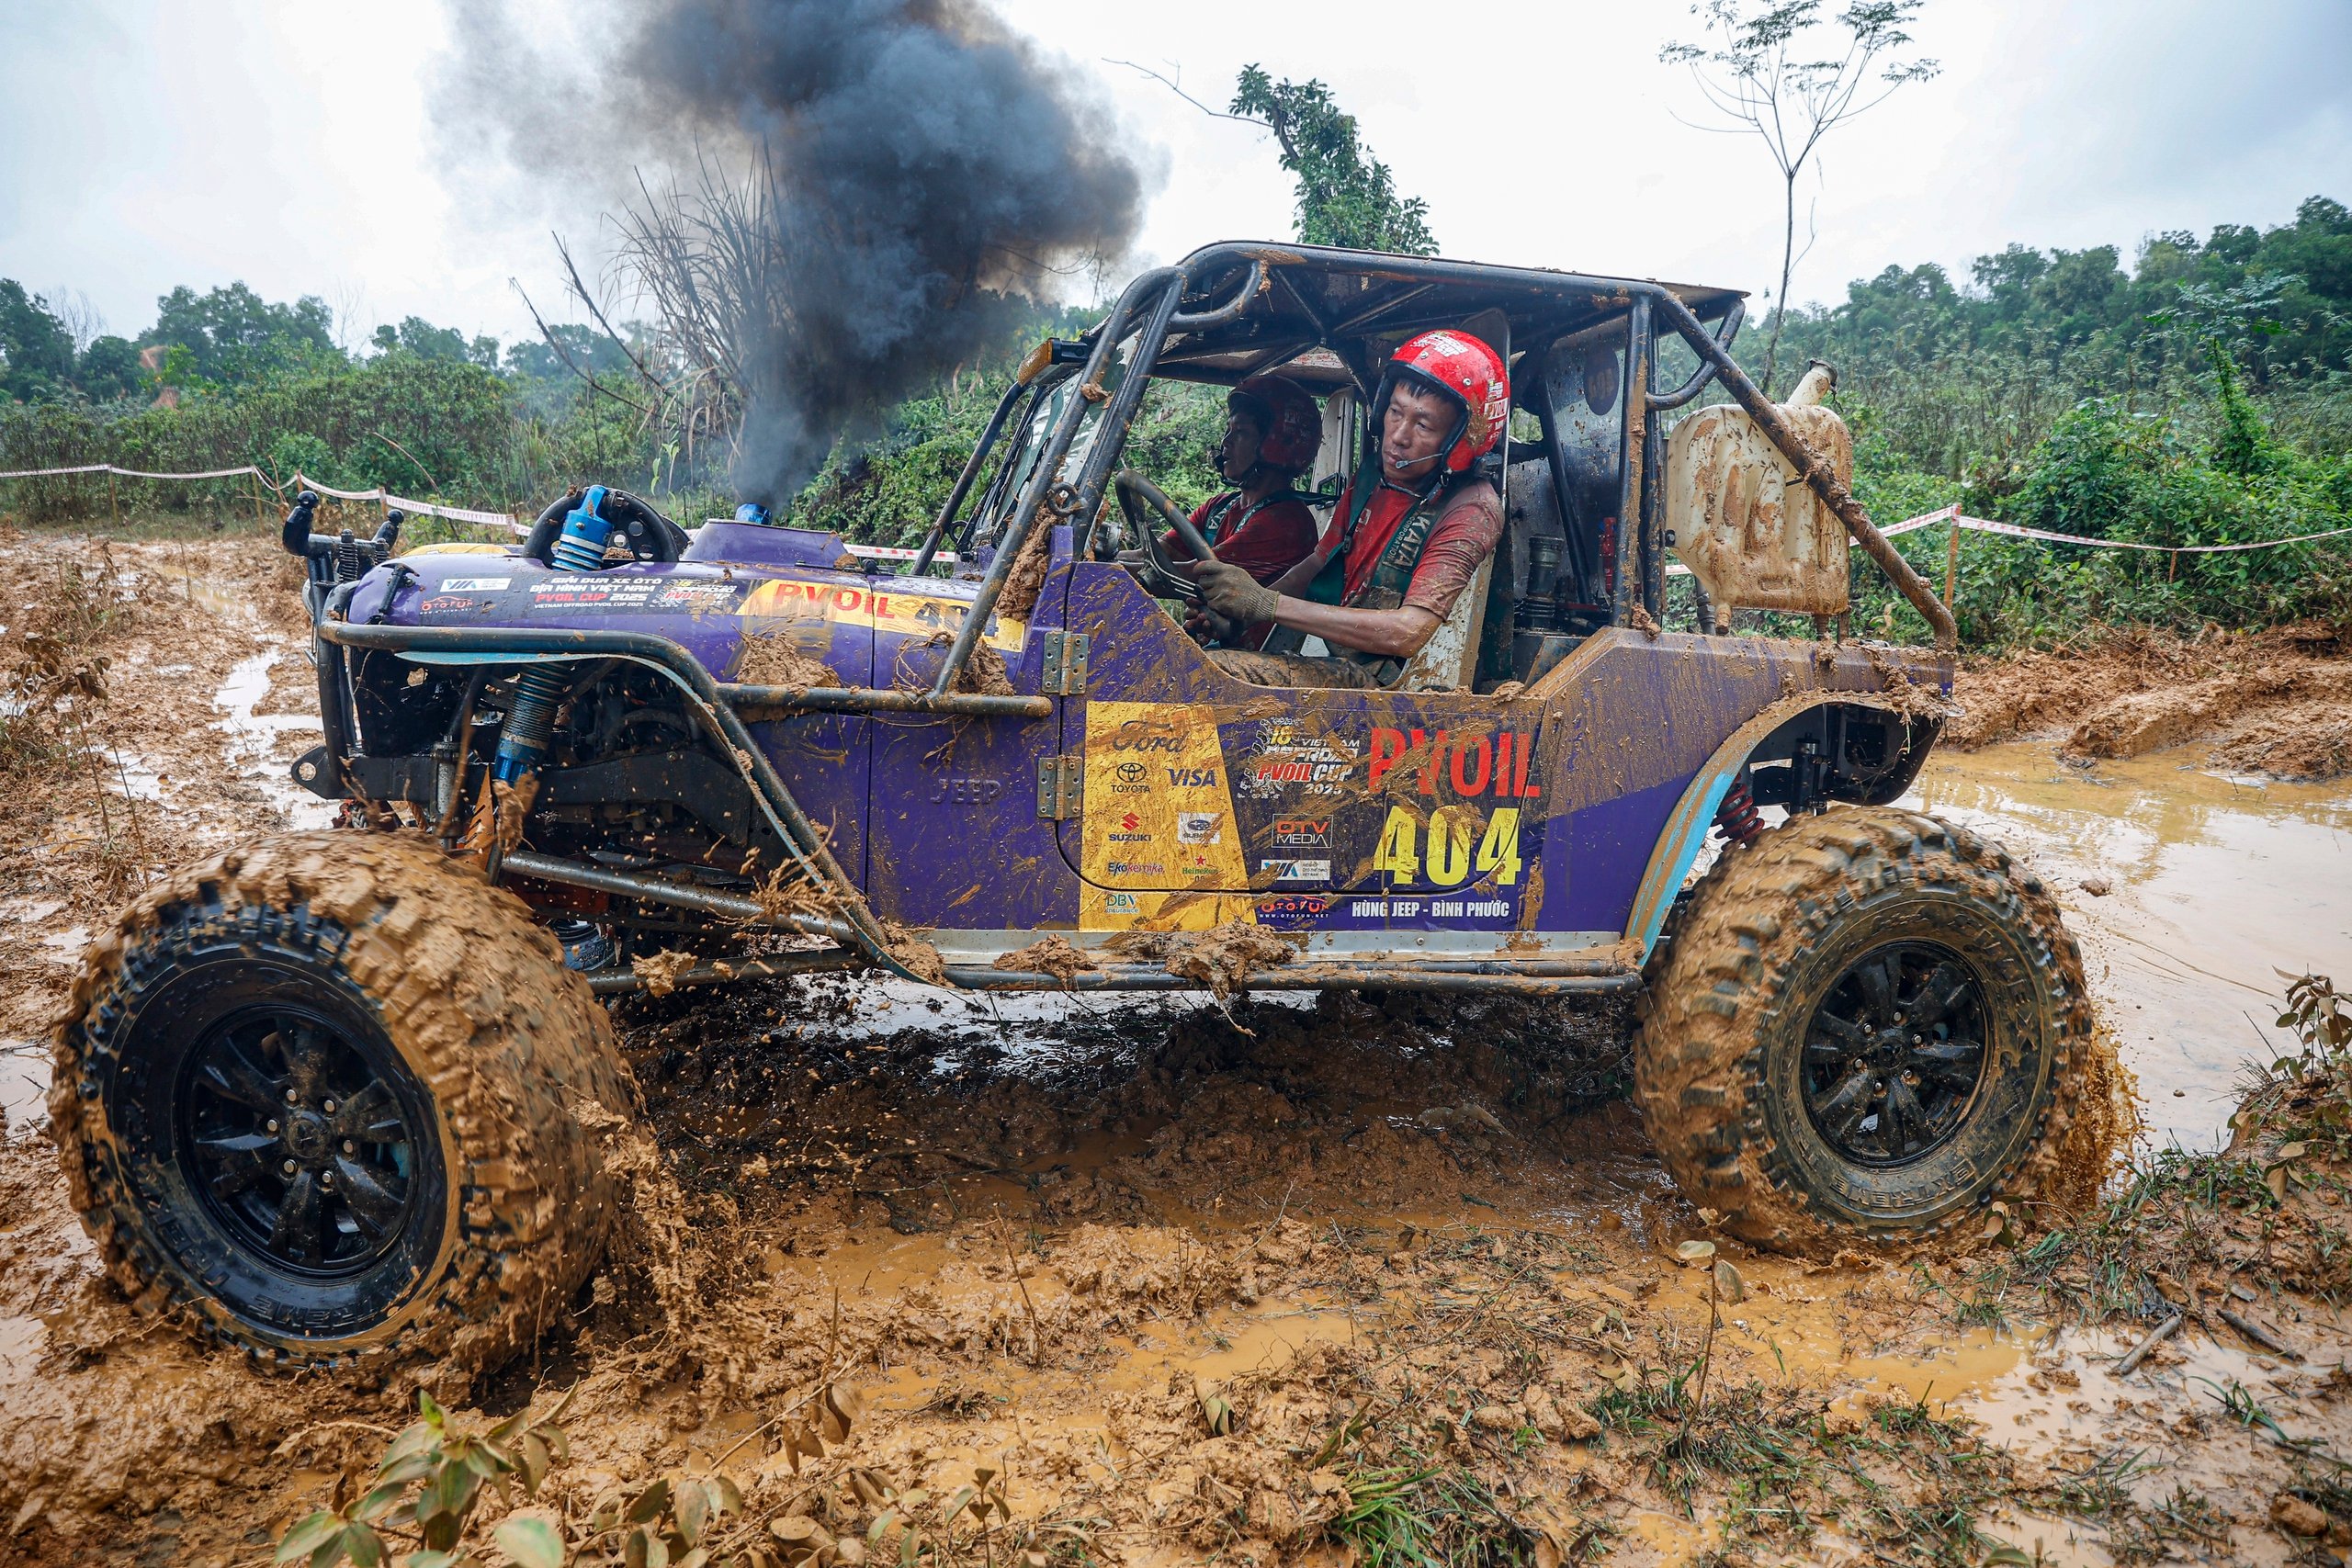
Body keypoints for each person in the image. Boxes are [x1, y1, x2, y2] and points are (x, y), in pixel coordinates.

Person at [1193, 329, 1509, 687]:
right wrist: (1244, 612)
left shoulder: (1471, 510)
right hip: (1340, 662)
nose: (1398, 436)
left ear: (1460, 440)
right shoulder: (1375, 475)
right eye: (1395, 412)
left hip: (1397, 686)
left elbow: (1409, 631)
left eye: (1422, 425)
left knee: (1209, 674)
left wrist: (1268, 604)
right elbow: (1317, 563)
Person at [1131, 374, 1322, 598]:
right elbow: (1161, 552)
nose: (1225, 442)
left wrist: (1109, 570)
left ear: (1279, 444)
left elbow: (1193, 575)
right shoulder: (1219, 506)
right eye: (1228, 430)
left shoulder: (1285, 521)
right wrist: (1104, 556)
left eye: (1241, 432)